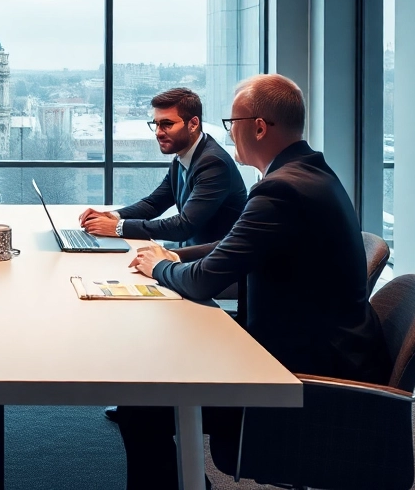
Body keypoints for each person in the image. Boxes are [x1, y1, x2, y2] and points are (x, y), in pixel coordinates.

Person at [115, 74, 392, 490]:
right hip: (322, 351)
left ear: (258, 127)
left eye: (232, 122)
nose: (229, 132)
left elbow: (204, 282)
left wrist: (158, 267)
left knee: (141, 407)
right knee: (159, 376)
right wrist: (171, 255)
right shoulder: (307, 172)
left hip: (305, 378)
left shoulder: (281, 191)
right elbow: (232, 245)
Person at [78, 87, 247, 248]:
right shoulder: (183, 156)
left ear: (193, 124)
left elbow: (184, 226)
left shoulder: (213, 163)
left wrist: (118, 227)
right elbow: (153, 204)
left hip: (213, 268)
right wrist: (112, 216)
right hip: (193, 258)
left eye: (167, 124)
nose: (158, 132)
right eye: (156, 124)